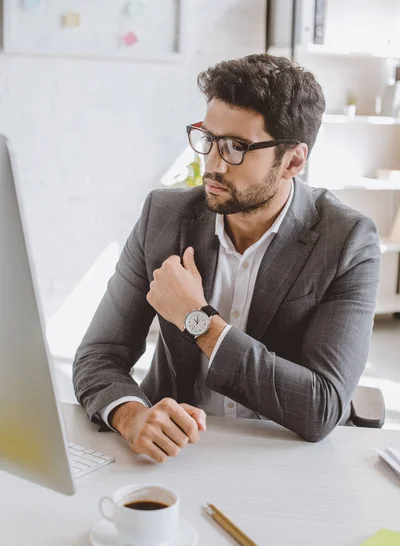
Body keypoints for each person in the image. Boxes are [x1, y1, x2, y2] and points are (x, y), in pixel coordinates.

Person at [73, 53, 381, 463]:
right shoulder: (163, 218)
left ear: (293, 160)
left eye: (237, 147)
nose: (213, 164)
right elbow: (98, 356)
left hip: (285, 456)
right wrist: (133, 416)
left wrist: (197, 320)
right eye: (208, 139)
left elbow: (321, 406)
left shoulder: (346, 241)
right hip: (179, 452)